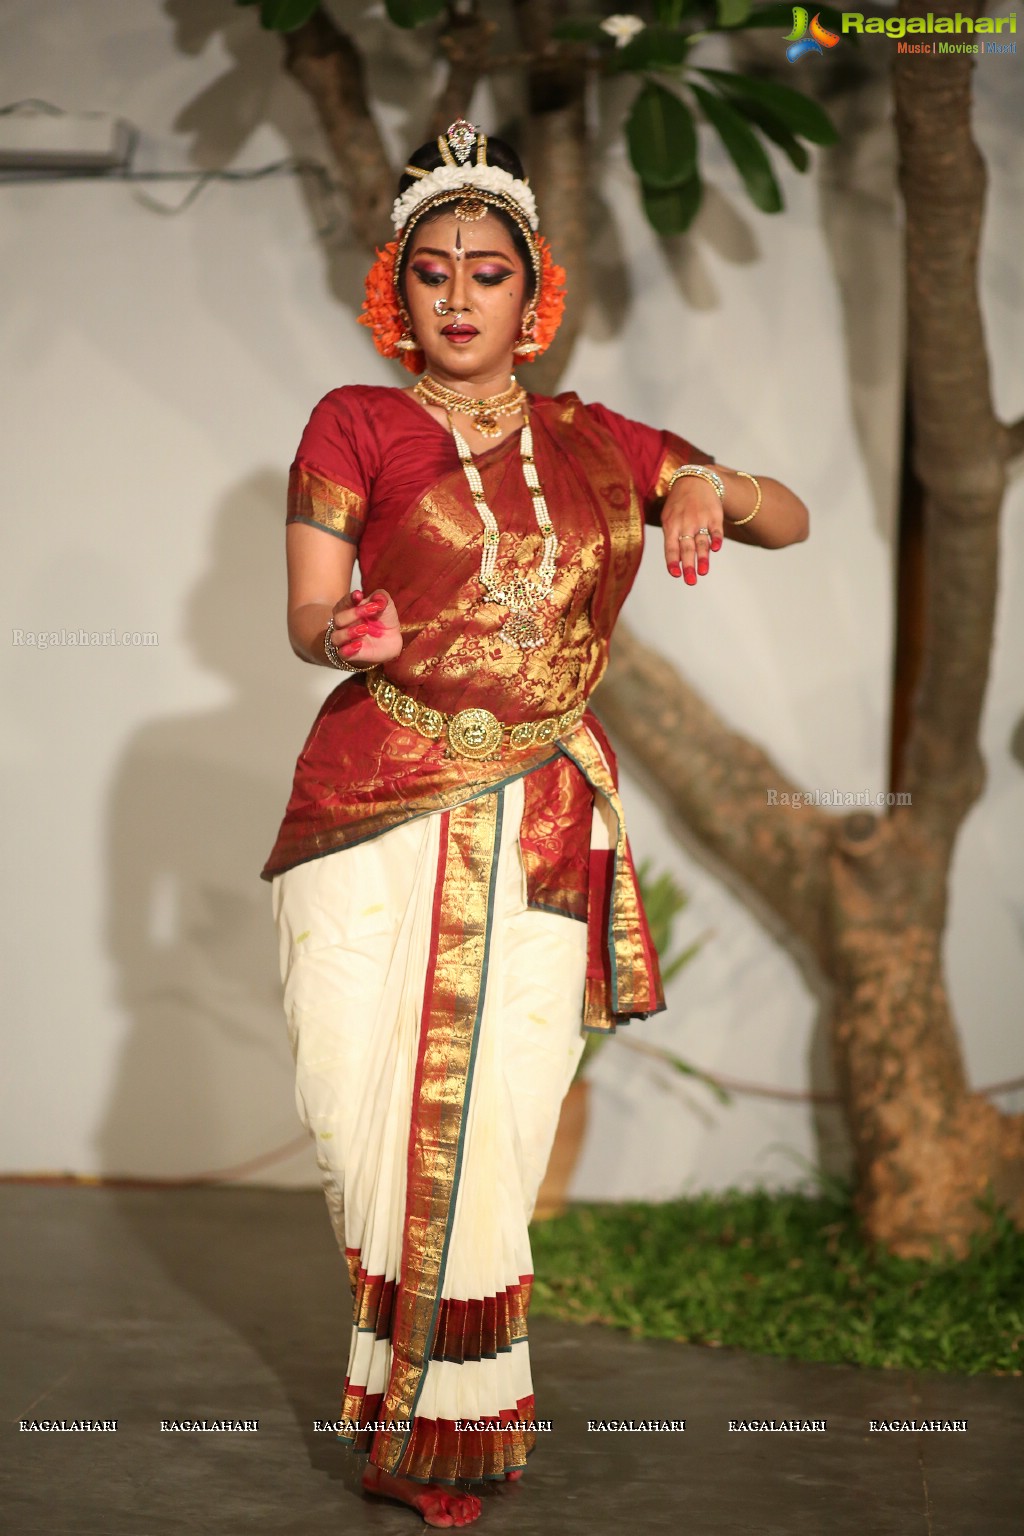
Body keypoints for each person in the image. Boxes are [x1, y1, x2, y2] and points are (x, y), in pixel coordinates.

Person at [261, 120, 809, 1529]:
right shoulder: (353, 423)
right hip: (374, 807)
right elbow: (310, 616)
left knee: (494, 1131)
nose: (459, 296)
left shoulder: (596, 439)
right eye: (433, 271)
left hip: (539, 813)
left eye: (487, 272)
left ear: (531, 294)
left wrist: (708, 484)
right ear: (401, 291)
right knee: (354, 1114)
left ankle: (450, 1435)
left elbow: (787, 518)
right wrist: (347, 633)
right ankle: (395, 1389)